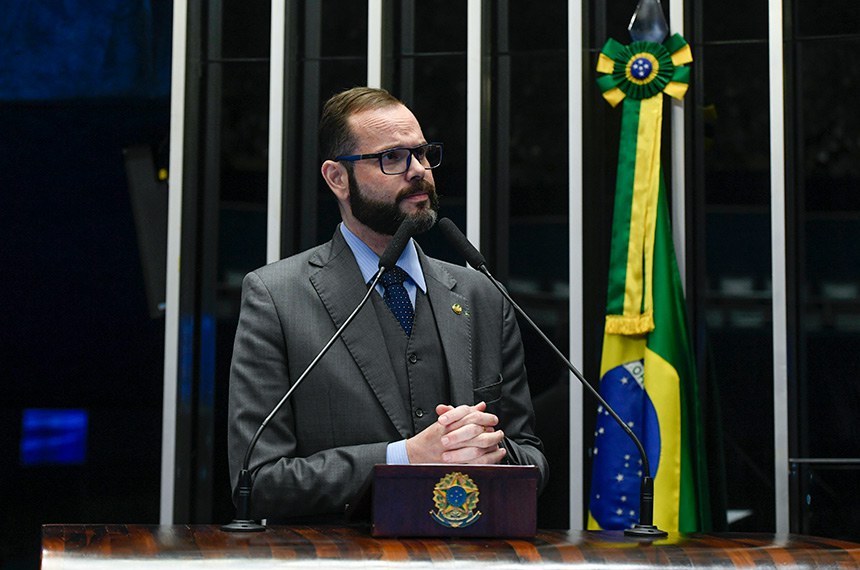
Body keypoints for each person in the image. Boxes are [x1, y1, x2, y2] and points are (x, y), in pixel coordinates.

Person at [228, 86, 548, 521]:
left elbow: (532, 459)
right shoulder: (276, 298)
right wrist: (406, 457)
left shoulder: (482, 296)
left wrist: (486, 447)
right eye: (392, 158)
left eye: (422, 153)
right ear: (337, 178)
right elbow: (258, 482)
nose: (418, 170)